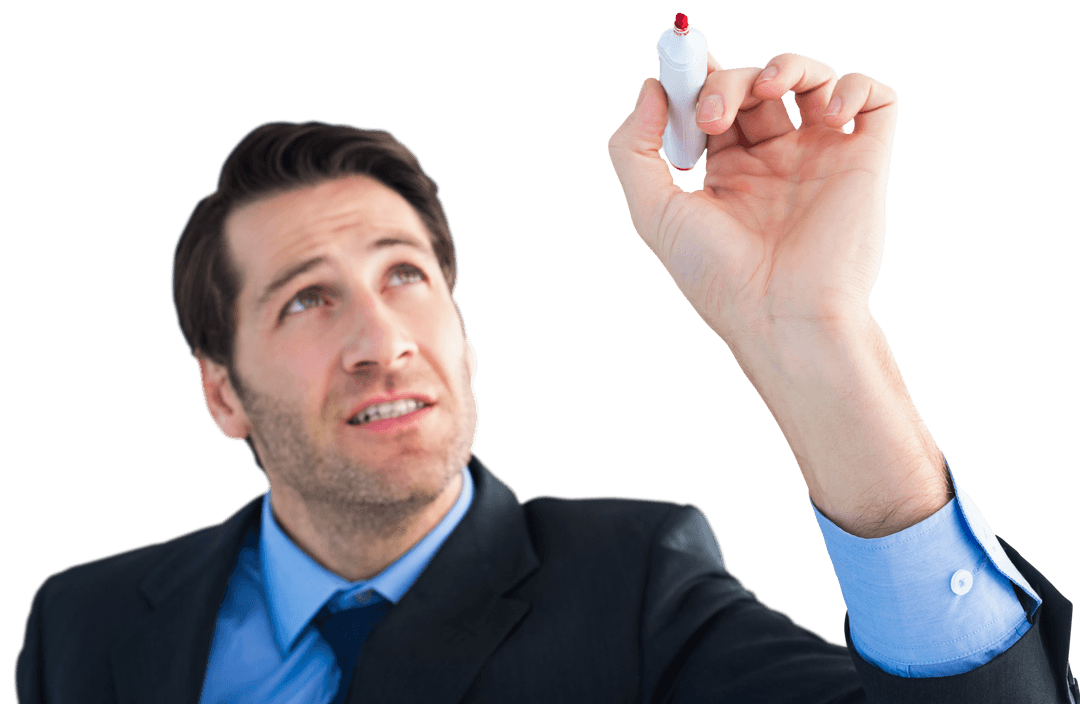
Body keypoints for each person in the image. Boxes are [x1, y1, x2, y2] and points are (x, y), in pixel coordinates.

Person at [14, 51, 1077, 703]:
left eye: (406, 276)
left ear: (466, 335)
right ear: (221, 391)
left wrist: (815, 333)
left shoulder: (631, 589)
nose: (383, 338)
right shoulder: (86, 625)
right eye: (306, 298)